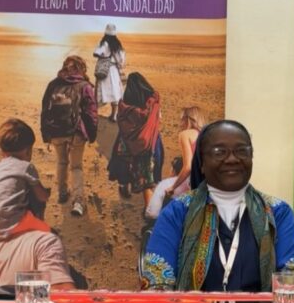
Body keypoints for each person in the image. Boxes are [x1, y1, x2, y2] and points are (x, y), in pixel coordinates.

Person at [141, 120, 294, 292]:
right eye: (219, 152)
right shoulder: (177, 212)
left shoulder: (278, 212)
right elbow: (158, 282)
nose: (232, 159)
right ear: (201, 163)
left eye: (241, 151)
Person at [0, 119, 74, 290]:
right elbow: (41, 196)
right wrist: (47, 193)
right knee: (50, 234)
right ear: (28, 149)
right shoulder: (25, 167)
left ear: (2, 151)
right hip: (12, 226)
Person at [40, 55, 98, 217]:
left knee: (62, 162)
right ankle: (78, 201)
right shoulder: (85, 86)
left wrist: (46, 133)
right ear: (81, 68)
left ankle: (62, 193)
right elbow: (91, 113)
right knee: (76, 166)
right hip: (76, 133)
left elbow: (45, 110)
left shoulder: (53, 84)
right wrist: (91, 134)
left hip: (56, 131)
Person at [108, 72, 163, 208]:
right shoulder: (152, 103)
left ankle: (124, 185)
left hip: (127, 140)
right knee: (147, 174)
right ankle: (149, 209)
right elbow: (159, 118)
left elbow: (120, 121)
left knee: (123, 163)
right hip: (149, 141)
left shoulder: (124, 103)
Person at [145, 106, 207, 219]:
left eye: (182, 119)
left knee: (163, 186)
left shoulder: (185, 134)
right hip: (207, 182)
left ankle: (152, 216)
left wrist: (173, 187)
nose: (180, 123)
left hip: (193, 182)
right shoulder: (207, 135)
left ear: (188, 119)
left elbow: (188, 167)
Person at [93, 23, 125, 122]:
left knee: (100, 92)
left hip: (104, 70)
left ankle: (94, 115)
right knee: (115, 93)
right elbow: (122, 59)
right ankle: (114, 115)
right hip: (114, 71)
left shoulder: (104, 43)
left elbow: (96, 53)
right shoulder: (118, 45)